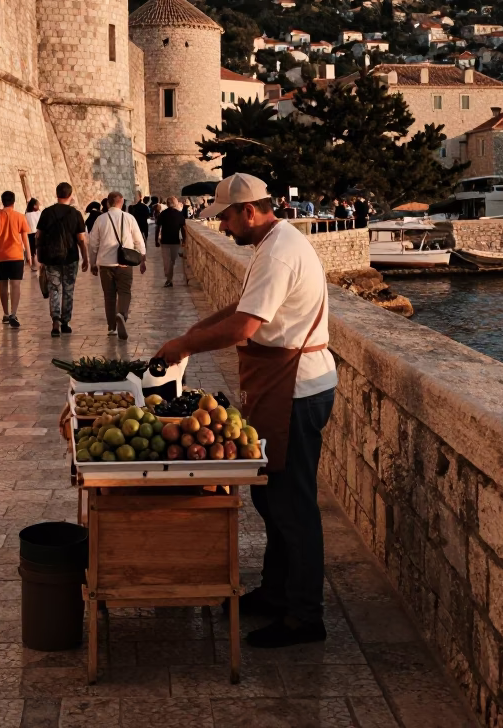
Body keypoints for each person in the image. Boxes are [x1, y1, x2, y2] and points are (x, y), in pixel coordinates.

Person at [154, 172, 336, 649]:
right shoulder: (274, 243)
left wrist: (183, 345)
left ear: (250, 211)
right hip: (286, 386)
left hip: (297, 389)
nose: (224, 227)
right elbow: (242, 307)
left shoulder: (277, 251)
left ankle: (304, 616)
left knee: (293, 505)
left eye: (228, 217)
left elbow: (245, 327)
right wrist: (197, 327)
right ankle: (277, 594)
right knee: (271, 496)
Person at [88, 191, 147, 339]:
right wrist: (142, 259)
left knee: (109, 296)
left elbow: (93, 243)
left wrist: (93, 263)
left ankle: (111, 327)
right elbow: (138, 240)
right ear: (121, 202)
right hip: (124, 263)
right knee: (125, 292)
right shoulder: (129, 218)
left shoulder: (100, 220)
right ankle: (122, 314)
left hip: (106, 264)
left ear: (108, 203)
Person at [36, 182, 89, 336]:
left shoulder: (46, 213)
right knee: (68, 290)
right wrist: (85, 257)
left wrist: (39, 257)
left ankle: (55, 321)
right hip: (70, 257)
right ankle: (65, 322)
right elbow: (80, 239)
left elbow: (38, 235)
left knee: (54, 289)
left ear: (56, 194)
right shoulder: (75, 214)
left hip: (51, 258)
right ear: (70, 196)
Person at [0, 191, 30, 328]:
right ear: (14, 202)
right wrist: (29, 255)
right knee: (15, 285)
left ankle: (5, 313)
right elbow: (25, 238)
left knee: (3, 284)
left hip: (0, 256)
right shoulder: (20, 217)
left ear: (2, 201)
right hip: (16, 256)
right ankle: (13, 313)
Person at [155, 195, 186, 287]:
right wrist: (184, 240)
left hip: (165, 241)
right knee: (171, 261)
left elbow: (158, 227)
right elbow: (183, 228)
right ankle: (169, 279)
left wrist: (156, 240)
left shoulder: (163, 214)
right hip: (174, 241)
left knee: (168, 261)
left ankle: (169, 278)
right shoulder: (179, 214)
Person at [25, 198, 41, 271]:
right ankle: (41, 264)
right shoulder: (38, 213)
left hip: (30, 233)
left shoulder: (26, 214)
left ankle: (33, 265)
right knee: (40, 248)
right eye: (38, 204)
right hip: (38, 232)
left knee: (33, 250)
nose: (39, 206)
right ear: (34, 206)